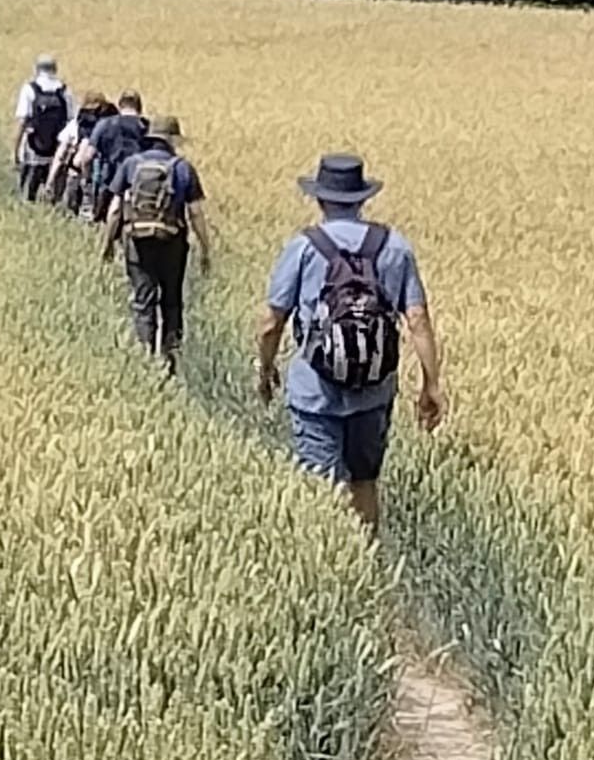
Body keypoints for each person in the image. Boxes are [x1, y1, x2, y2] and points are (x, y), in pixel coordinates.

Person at [257, 152, 444, 536]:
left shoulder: (304, 247)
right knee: (364, 481)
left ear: (320, 199)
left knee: (320, 485)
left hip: (315, 390)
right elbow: (419, 320)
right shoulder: (395, 247)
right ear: (362, 199)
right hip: (374, 392)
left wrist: (266, 367)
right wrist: (431, 385)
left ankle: (331, 565)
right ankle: (368, 553)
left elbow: (271, 322)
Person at [103, 115, 212, 371]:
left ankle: (145, 358)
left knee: (143, 301)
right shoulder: (182, 167)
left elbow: (115, 209)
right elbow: (195, 212)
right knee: (172, 301)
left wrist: (108, 242)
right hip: (172, 243)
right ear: (172, 140)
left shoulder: (131, 164)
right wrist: (205, 249)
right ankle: (170, 361)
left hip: (137, 242)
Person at [78, 90, 149, 224]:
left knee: (102, 223)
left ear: (120, 105)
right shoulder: (146, 127)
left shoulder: (104, 124)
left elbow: (87, 157)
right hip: (138, 184)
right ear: (139, 107)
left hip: (109, 183)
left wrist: (87, 180)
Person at [14, 54, 75, 203]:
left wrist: (15, 150)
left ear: (37, 69)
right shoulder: (64, 91)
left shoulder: (29, 89)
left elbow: (22, 121)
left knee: (28, 193)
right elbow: (72, 120)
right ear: (55, 69)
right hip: (56, 152)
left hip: (33, 149)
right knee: (53, 194)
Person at [47, 90, 113, 215]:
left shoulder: (77, 124)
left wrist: (51, 180)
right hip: (105, 178)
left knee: (72, 213)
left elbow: (61, 155)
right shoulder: (112, 123)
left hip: (78, 174)